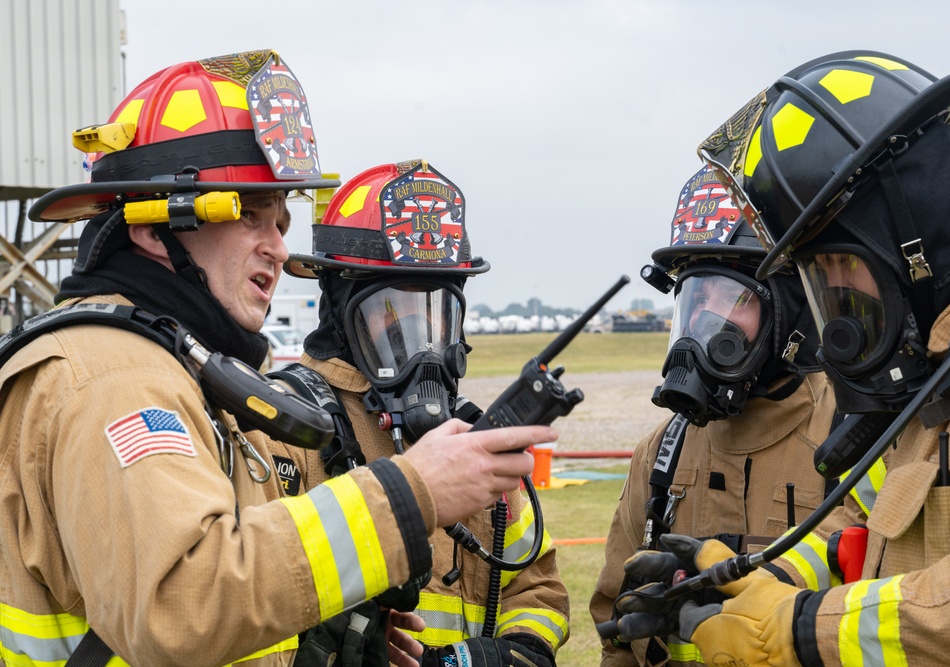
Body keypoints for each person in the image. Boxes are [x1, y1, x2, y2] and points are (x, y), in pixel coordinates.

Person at [0, 50, 552, 667]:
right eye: (251, 214)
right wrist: (414, 492)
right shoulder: (114, 377)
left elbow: (226, 580)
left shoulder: (173, 367)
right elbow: (183, 605)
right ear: (155, 229)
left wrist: (328, 636)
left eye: (283, 220)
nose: (280, 249)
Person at [616, 50, 950, 666]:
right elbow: (858, 537)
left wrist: (793, 630)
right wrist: (740, 575)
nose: (838, 304)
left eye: (836, 265)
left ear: (909, 237)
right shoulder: (938, 373)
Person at [268, 159, 571, 667]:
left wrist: (507, 654)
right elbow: (242, 597)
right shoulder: (283, 430)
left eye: (435, 311)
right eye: (392, 311)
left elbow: (536, 589)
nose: (421, 341)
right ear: (342, 312)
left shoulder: (469, 441)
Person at [589, 166, 844, 666]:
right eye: (695, 296)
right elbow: (615, 631)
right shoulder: (662, 454)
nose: (704, 320)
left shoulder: (856, 439)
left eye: (729, 297)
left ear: (788, 311)